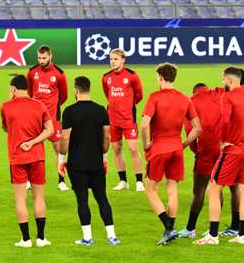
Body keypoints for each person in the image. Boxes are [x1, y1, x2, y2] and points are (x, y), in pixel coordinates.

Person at [194, 67, 244, 246]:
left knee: (213, 189)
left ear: (229, 80)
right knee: (243, 190)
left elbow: (224, 119)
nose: (222, 82)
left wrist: (223, 140)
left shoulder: (227, 97)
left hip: (233, 150)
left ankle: (213, 236)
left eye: (223, 79)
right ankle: (241, 235)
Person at [141, 63, 201, 246]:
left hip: (159, 148)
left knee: (150, 189)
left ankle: (168, 227)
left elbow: (144, 125)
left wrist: (146, 144)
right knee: (172, 189)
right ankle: (171, 229)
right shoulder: (184, 98)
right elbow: (197, 128)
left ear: (160, 76)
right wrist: (183, 144)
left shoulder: (155, 97)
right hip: (176, 148)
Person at [59, 76, 119, 246]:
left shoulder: (69, 111)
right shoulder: (101, 110)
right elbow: (107, 137)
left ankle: (87, 238)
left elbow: (65, 138)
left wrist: (61, 159)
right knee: (102, 199)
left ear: (76, 90)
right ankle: (112, 236)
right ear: (88, 89)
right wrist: (104, 157)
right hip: (96, 163)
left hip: (77, 164)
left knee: (82, 200)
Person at [0, 74, 54, 248]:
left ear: (13, 88)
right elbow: (50, 130)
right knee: (39, 198)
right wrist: (32, 142)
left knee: (20, 199)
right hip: (37, 156)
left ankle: (25, 240)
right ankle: (41, 238)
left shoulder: (6, 106)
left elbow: (5, 127)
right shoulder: (40, 105)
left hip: (17, 157)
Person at [177, 82, 221, 239]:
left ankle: (190, 228)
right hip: (225, 148)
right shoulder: (219, 95)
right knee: (219, 188)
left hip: (206, 151)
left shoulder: (191, 101)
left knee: (199, 191)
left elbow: (191, 130)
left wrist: (196, 150)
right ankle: (224, 228)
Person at [26, 46, 69, 191]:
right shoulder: (32, 72)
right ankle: (27, 180)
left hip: (53, 117)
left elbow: (64, 96)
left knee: (58, 148)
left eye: (44, 58)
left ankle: (61, 180)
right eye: (39, 58)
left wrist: (53, 106)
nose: (41, 61)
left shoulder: (59, 74)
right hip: (34, 117)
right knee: (31, 146)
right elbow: (30, 93)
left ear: (51, 56)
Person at [101, 49, 144, 192]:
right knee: (117, 149)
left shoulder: (132, 76)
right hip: (113, 119)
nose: (113, 62)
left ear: (123, 60)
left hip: (128, 119)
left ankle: (139, 181)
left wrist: (126, 106)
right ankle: (123, 180)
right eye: (111, 59)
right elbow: (108, 95)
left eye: (116, 59)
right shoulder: (106, 77)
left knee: (133, 148)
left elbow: (139, 95)